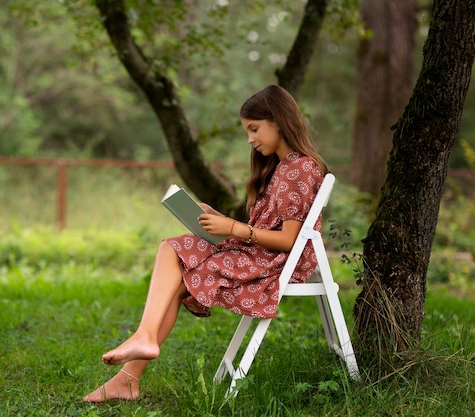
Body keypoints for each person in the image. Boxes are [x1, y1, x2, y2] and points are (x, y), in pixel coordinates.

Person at [83, 85, 329, 402]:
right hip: (259, 253)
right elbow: (265, 228)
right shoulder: (282, 167)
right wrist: (222, 222)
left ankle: (134, 362)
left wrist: (233, 228)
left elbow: (289, 240)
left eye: (254, 129)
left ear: (278, 121)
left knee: (175, 258)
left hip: (276, 263)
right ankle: (131, 369)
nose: (250, 140)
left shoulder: (300, 168)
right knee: (171, 253)